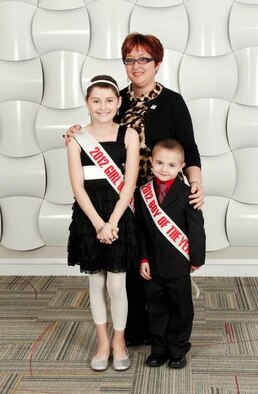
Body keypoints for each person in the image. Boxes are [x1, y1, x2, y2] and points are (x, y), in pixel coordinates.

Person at [65, 32, 204, 346]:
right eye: (130, 60)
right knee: (130, 265)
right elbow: (96, 127)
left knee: (161, 267)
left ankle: (170, 337)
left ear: (157, 63)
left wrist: (196, 182)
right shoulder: (117, 99)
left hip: (160, 197)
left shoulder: (172, 102)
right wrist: (74, 130)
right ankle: (136, 332)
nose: (137, 65)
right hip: (121, 198)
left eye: (144, 59)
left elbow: (190, 149)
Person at [67, 75, 139, 371]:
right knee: (96, 282)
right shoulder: (75, 137)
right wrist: (99, 224)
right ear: (87, 103)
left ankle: (119, 341)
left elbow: (129, 184)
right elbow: (77, 187)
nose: (103, 106)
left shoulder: (129, 135)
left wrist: (111, 223)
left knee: (118, 284)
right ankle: (102, 342)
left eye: (109, 100)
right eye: (96, 100)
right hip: (90, 216)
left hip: (119, 216)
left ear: (119, 102)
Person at [135, 139, 206, 369]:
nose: (164, 169)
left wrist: (196, 259)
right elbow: (141, 231)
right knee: (155, 308)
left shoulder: (188, 194)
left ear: (181, 166)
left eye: (171, 165)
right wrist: (143, 258)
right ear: (151, 163)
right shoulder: (142, 193)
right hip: (152, 265)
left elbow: (196, 229)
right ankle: (159, 348)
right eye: (159, 163)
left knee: (181, 309)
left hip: (178, 264)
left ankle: (177, 349)